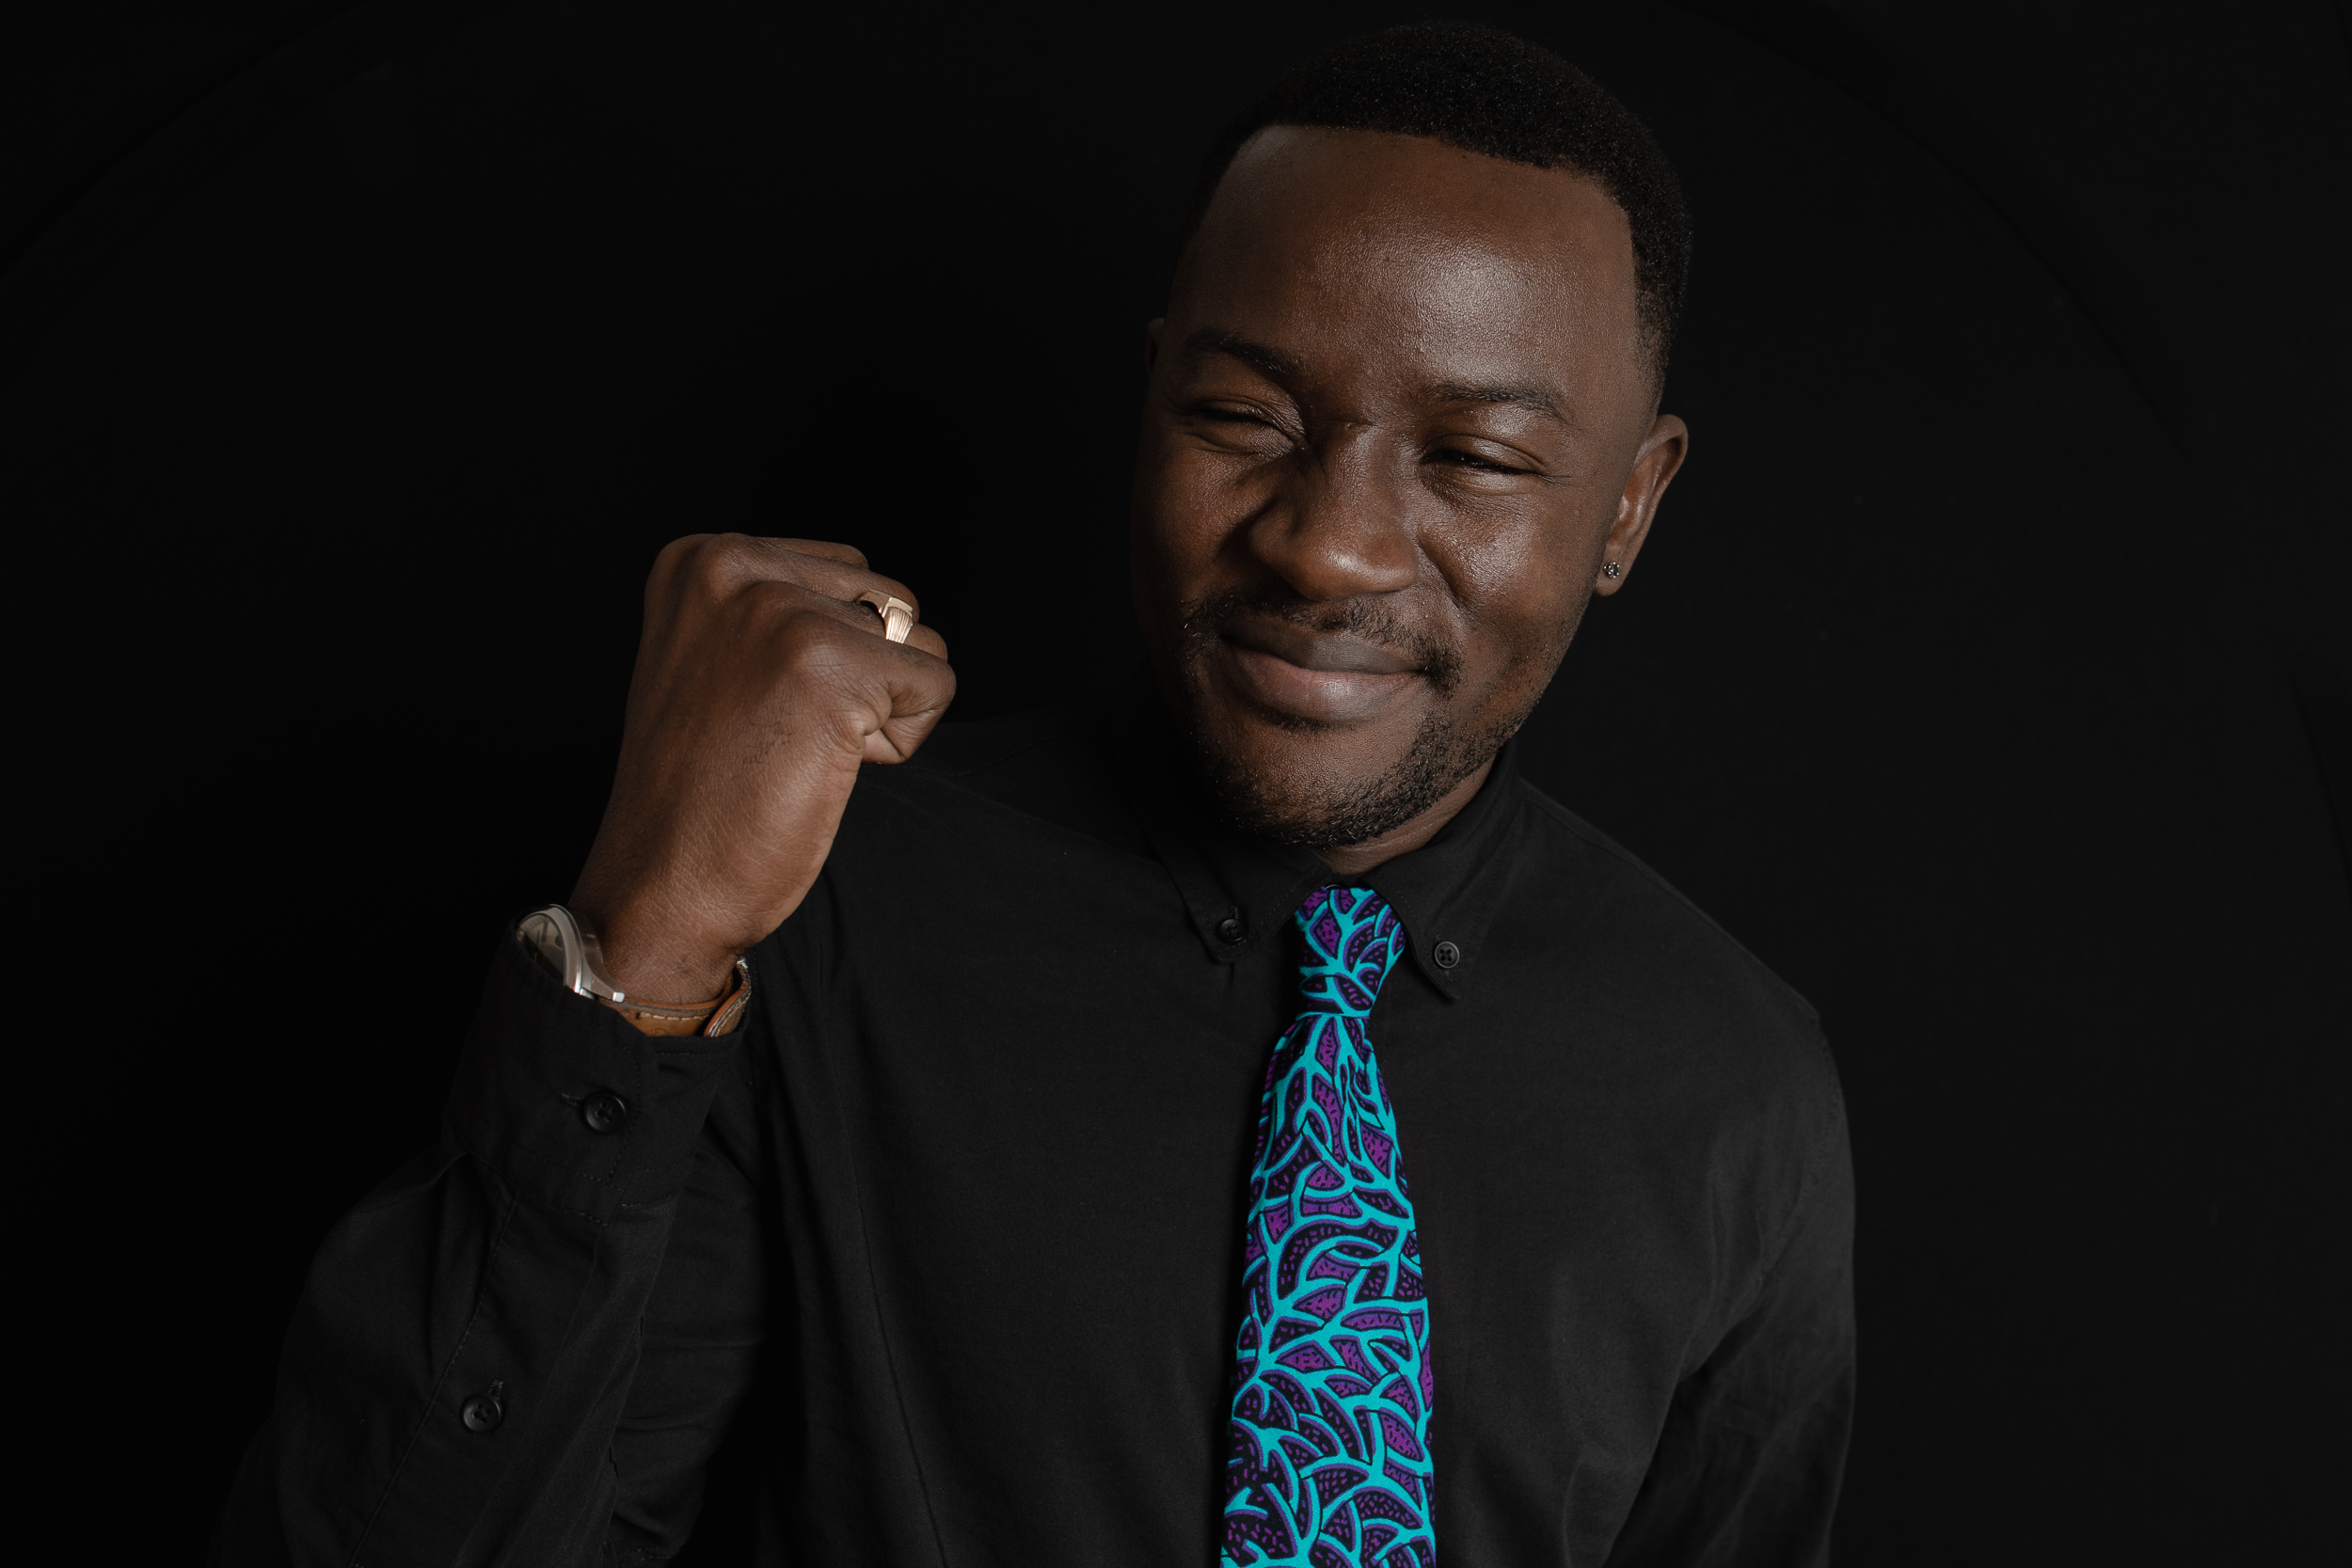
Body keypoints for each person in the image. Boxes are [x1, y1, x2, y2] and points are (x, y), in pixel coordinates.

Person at [215, 21, 1852, 1568]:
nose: (1328, 546)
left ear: (1628, 508)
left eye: (1474, 458)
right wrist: (643, 949)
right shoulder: (823, 914)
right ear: (1152, 397)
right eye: (1243, 418)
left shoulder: (1735, 1091)